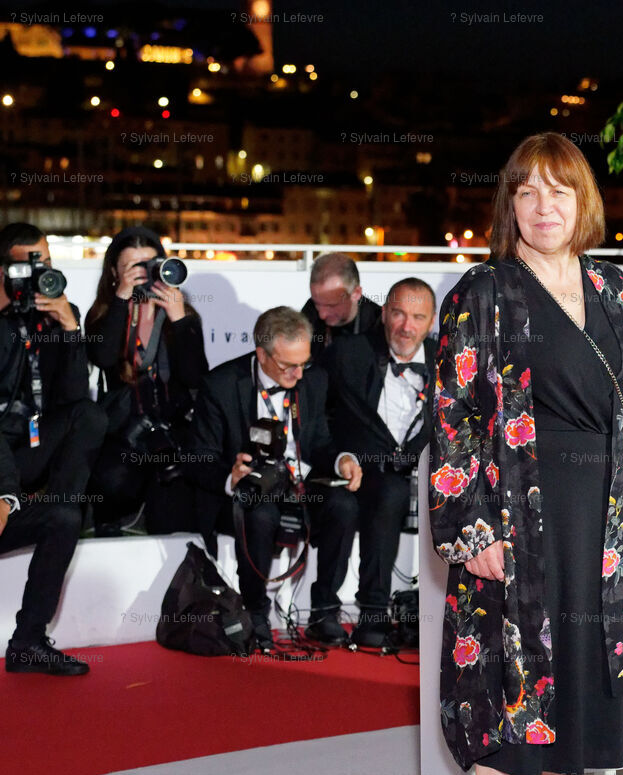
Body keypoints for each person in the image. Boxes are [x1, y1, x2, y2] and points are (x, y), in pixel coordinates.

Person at [430, 132, 623, 775]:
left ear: (582, 200)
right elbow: (451, 417)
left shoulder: (612, 287)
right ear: (510, 206)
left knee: (580, 675)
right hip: (512, 513)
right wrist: (469, 528)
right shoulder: (482, 291)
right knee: (508, 679)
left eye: (558, 190)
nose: (543, 206)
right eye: (526, 192)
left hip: (599, 510)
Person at [186, 307, 362, 651]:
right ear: (262, 354)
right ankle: (255, 613)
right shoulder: (222, 385)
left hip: (300, 484)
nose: (298, 373)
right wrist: (231, 476)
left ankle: (324, 612)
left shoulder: (313, 379)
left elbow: (319, 442)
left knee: (344, 505)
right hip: (251, 491)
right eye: (288, 366)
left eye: (303, 363)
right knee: (259, 513)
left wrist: (342, 460)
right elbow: (197, 458)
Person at [0, 222, 105, 674]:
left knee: (89, 417)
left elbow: (73, 397)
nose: (40, 270)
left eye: (45, 260)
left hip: (27, 452)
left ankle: (28, 642)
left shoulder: (57, 313)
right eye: (29, 263)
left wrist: (69, 328)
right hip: (2, 469)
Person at [324, 277, 437, 649]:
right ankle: (334, 612)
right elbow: (316, 412)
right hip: (357, 469)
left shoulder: (447, 361)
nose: (407, 326)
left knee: (393, 492)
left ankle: (380, 614)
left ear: (431, 321)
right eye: (399, 314)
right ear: (384, 313)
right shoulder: (349, 354)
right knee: (358, 500)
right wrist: (340, 456)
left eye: (418, 317)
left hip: (420, 474)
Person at [85, 226, 208, 534]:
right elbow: (103, 358)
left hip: (173, 426)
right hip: (124, 428)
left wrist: (180, 321)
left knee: (177, 485)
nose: (143, 274)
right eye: (132, 267)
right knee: (113, 479)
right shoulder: (104, 313)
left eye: (149, 264)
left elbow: (195, 377)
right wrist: (121, 300)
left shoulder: (182, 312)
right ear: (114, 272)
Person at [300, 252, 382, 362]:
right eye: (317, 304)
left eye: (331, 305)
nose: (322, 314)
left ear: (356, 293)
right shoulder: (308, 316)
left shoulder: (379, 326)